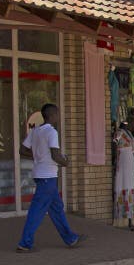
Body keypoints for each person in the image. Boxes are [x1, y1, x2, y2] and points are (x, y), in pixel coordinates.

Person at [16, 104, 86, 252]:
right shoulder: (52, 132)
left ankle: (70, 238)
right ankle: (25, 243)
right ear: (52, 115)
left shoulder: (35, 131)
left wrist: (38, 156)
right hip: (47, 176)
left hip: (42, 175)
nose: (59, 117)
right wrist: (65, 162)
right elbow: (55, 155)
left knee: (57, 209)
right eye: (57, 114)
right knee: (36, 211)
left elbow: (22, 150)